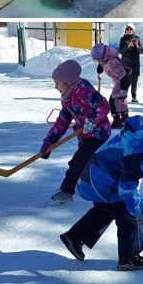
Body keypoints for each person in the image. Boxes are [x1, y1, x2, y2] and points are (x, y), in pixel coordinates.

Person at [59, 91, 143, 270]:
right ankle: (128, 258)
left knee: (105, 210)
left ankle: (75, 237)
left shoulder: (142, 131)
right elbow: (127, 188)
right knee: (128, 217)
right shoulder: (140, 153)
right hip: (105, 181)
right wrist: (138, 211)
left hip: (99, 173)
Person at [41, 59, 111, 205]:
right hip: (84, 136)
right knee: (86, 163)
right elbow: (62, 121)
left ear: (67, 82)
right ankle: (94, 184)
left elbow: (103, 106)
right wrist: (49, 142)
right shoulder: (67, 98)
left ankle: (67, 191)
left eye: (57, 83)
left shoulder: (85, 92)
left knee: (77, 163)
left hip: (98, 135)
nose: (55, 87)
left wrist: (92, 121)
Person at [89, 41, 128, 128]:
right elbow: (101, 64)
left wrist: (123, 89)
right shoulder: (104, 59)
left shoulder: (112, 62)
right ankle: (125, 118)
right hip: (120, 81)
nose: (97, 61)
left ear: (102, 56)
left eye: (97, 59)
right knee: (120, 99)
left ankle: (117, 121)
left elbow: (123, 75)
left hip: (123, 80)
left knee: (114, 100)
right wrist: (99, 71)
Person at [117, 24, 143, 104]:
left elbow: (142, 51)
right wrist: (128, 46)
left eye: (130, 29)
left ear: (133, 30)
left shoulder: (137, 38)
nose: (129, 30)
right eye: (127, 29)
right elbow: (120, 51)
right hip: (125, 64)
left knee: (134, 82)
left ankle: (134, 97)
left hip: (135, 63)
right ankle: (124, 97)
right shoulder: (122, 39)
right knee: (125, 81)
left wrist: (137, 46)